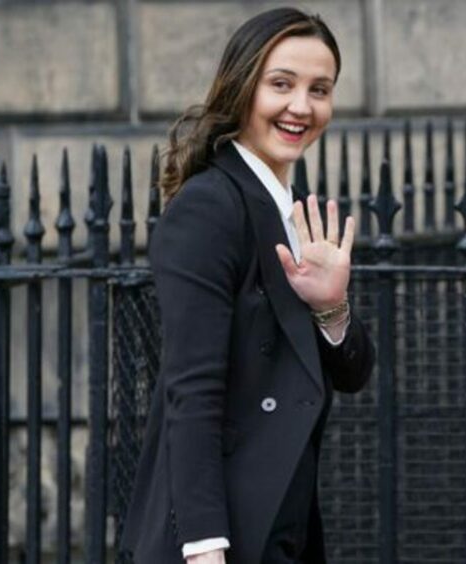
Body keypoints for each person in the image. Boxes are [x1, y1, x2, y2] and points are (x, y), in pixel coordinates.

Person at [120, 8, 376, 564]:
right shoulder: (210, 206)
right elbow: (192, 389)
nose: (301, 107)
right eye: (281, 84)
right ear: (241, 88)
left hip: (280, 520)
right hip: (222, 534)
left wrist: (331, 307)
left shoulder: (286, 208)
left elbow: (354, 374)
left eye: (320, 89)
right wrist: (205, 546)